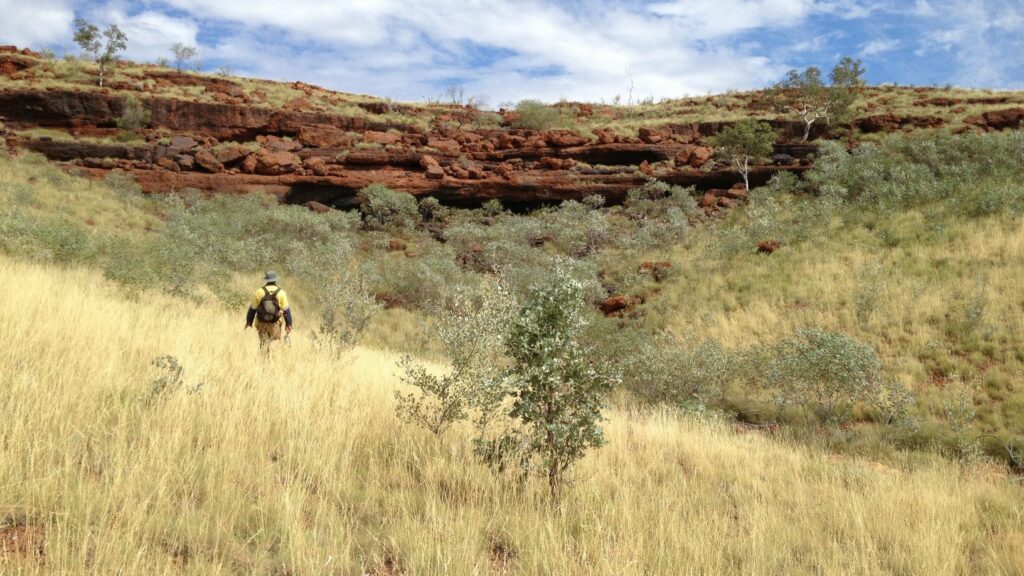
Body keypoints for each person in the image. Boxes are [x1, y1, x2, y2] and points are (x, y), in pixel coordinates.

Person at [245, 271, 293, 353]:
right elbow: (286, 310)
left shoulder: (259, 292)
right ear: (275, 280)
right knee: (274, 343)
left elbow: (252, 309)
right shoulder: (281, 292)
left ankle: (263, 362)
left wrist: (249, 322)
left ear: (266, 280)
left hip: (261, 323)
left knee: (263, 343)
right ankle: (272, 362)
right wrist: (289, 324)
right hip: (276, 323)